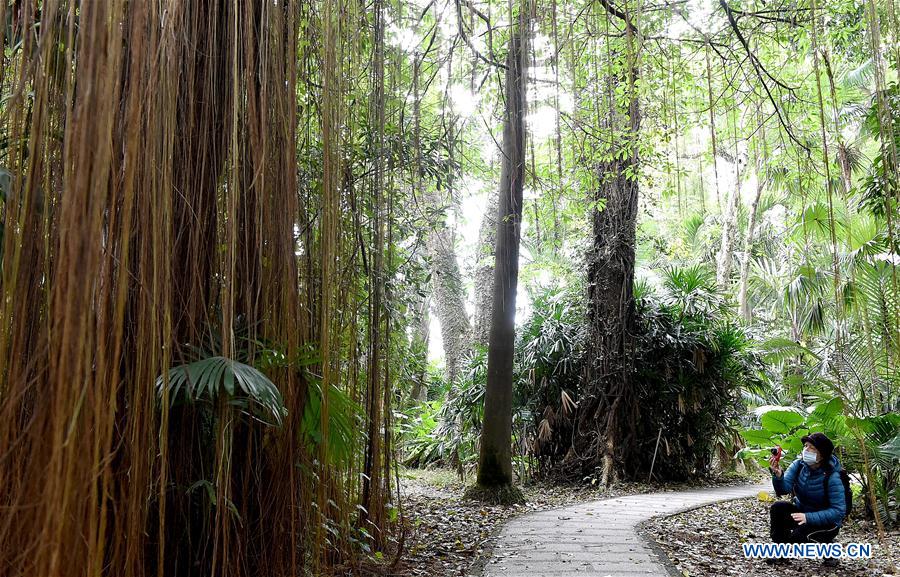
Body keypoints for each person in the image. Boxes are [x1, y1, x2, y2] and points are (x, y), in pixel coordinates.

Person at [767, 432, 846, 567]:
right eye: (805, 446)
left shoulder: (833, 476)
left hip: (827, 523)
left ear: (822, 454)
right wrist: (778, 476)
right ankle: (780, 552)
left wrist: (808, 517)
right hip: (802, 513)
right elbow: (783, 489)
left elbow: (839, 511)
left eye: (811, 448)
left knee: (799, 538)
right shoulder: (799, 465)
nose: (806, 450)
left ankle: (829, 549)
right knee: (778, 508)